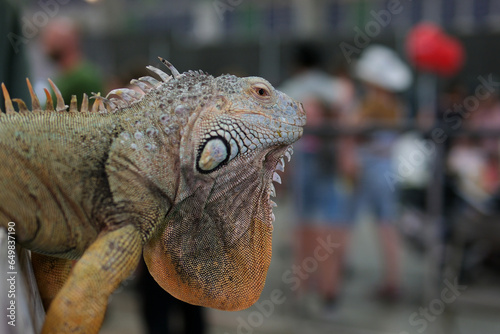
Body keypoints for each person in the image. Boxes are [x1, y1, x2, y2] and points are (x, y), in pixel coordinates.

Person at [280, 43, 355, 316]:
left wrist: (283, 177)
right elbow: (347, 127)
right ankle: (329, 293)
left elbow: (283, 139)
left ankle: (301, 290)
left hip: (303, 162)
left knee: (302, 230)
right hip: (330, 163)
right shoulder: (335, 88)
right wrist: (347, 159)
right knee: (330, 231)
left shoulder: (289, 89)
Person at [351, 45, 412, 301]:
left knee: (355, 221)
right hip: (386, 168)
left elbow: (354, 127)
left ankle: (391, 281)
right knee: (386, 225)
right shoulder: (396, 105)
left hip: (373, 169)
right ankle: (393, 279)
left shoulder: (374, 103)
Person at [41, 18, 104, 108]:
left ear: (68, 41)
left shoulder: (84, 78)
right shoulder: (64, 75)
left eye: (51, 38)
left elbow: (94, 114)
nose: (45, 45)